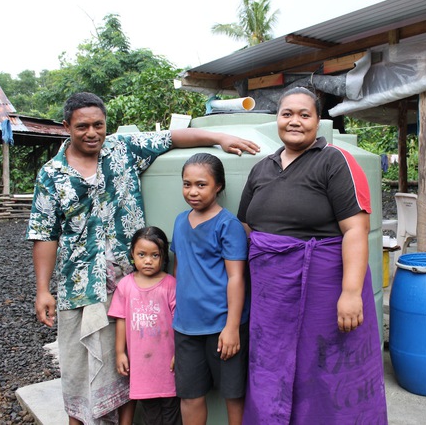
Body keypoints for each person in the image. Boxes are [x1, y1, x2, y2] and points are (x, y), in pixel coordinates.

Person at [26, 92, 259, 425]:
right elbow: (44, 233)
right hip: (80, 285)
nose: (92, 132)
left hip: (134, 281)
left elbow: (173, 136)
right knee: (78, 366)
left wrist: (218, 136)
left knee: (130, 363)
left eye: (98, 125)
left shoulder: (123, 149)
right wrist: (42, 289)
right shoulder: (51, 175)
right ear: (66, 127)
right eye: (82, 126)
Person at [237, 86, 388, 424]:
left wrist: (351, 293)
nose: (295, 121)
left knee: (324, 372)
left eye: (304, 114)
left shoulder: (334, 161)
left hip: (323, 290)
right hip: (272, 298)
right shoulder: (262, 168)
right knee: (272, 368)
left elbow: (355, 230)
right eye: (286, 113)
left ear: (318, 121)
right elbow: (246, 227)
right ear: (277, 119)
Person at [170, 153, 249, 425]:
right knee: (190, 396)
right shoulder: (180, 221)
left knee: (234, 394)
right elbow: (179, 269)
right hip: (186, 327)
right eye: (187, 184)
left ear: (218, 186)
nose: (192, 191)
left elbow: (236, 278)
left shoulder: (228, 225)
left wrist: (232, 327)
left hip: (222, 326)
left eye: (201, 184)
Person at [108, 226, 181, 425]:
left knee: (172, 414)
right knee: (150, 415)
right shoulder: (125, 286)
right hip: (142, 367)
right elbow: (120, 319)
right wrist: (120, 352)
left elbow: (179, 322)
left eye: (154, 255)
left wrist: (179, 353)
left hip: (169, 366)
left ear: (163, 256)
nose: (148, 260)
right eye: (142, 254)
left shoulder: (170, 284)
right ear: (132, 254)